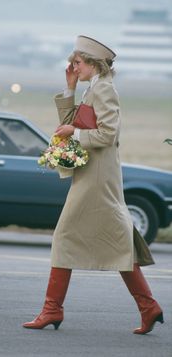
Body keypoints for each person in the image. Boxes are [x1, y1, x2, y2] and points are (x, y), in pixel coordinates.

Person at [23, 35, 164, 334]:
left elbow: (107, 135)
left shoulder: (104, 90)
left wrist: (74, 133)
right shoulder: (92, 89)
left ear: (92, 63)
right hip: (93, 176)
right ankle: (148, 307)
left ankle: (52, 310)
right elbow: (70, 125)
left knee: (66, 236)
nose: (72, 66)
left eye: (77, 62)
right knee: (118, 242)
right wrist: (70, 89)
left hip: (98, 180)